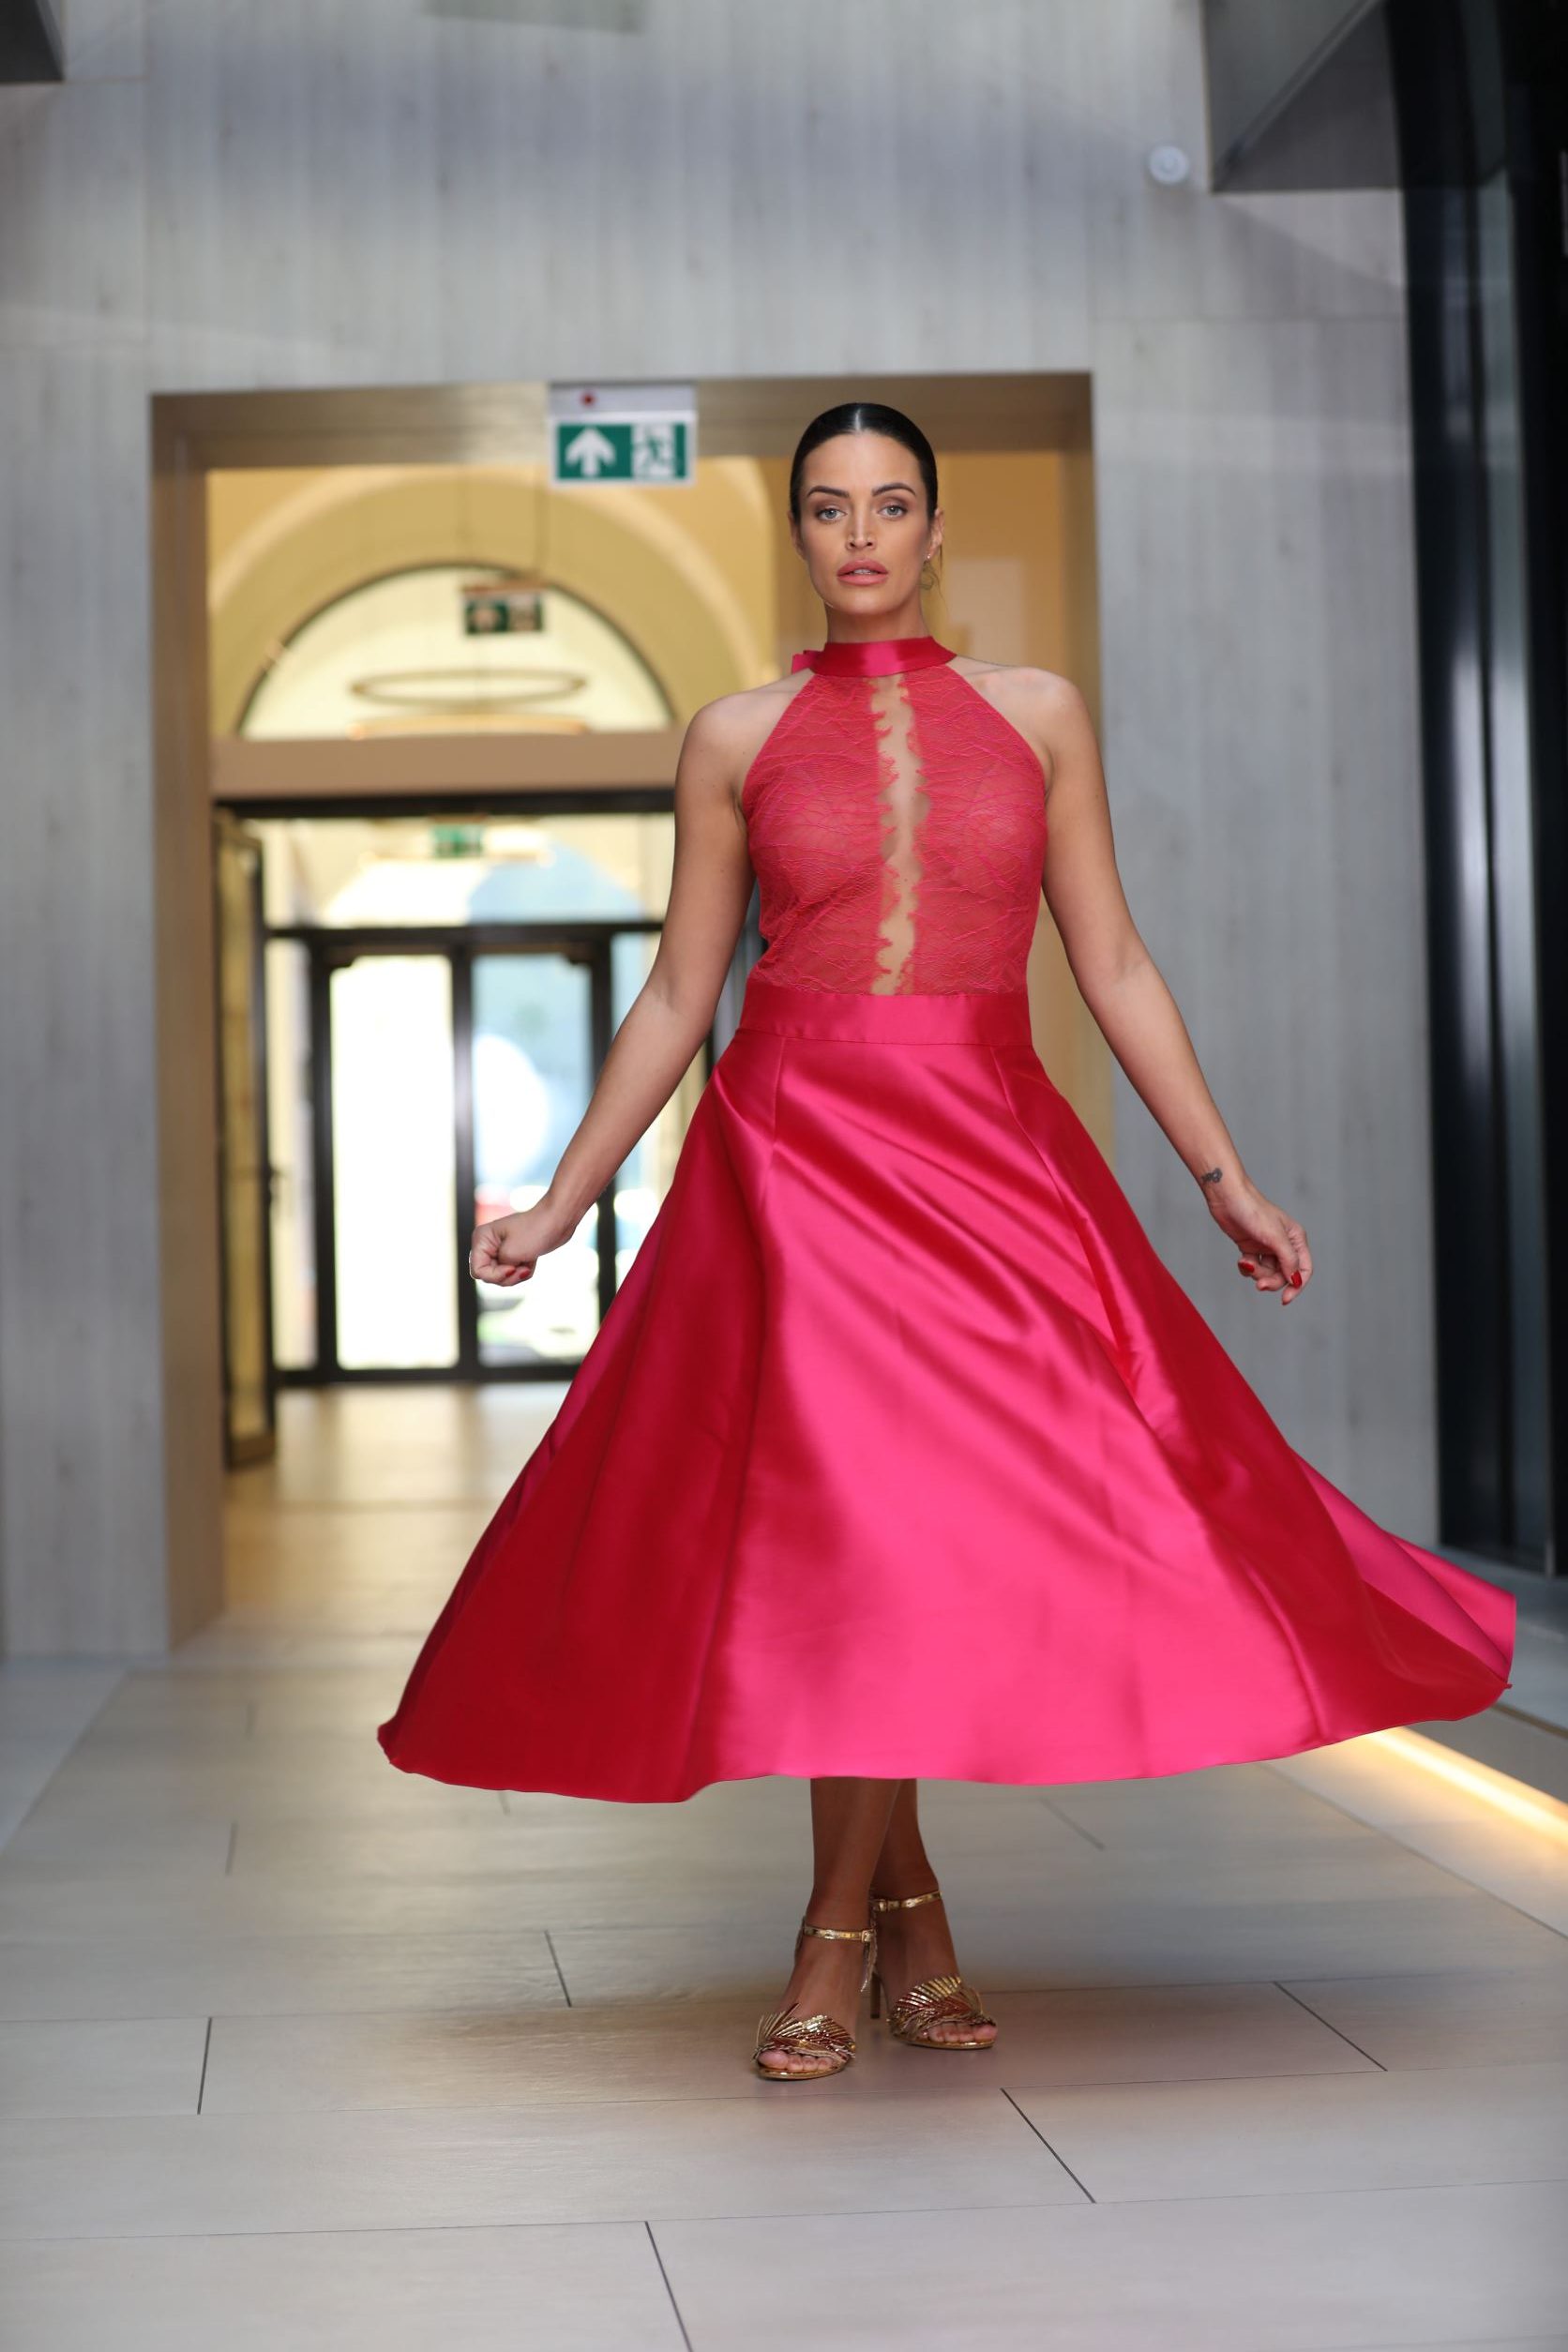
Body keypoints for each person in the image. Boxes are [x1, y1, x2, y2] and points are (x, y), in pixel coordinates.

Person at [378, 400, 1515, 2083]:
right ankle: (844, 1938)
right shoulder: (733, 735)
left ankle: (892, 1917)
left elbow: (1110, 960)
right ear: (798, 530)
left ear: (933, 526)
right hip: (794, 1163)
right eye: (829, 506)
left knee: (940, 1537)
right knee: (854, 1540)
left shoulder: (1038, 713)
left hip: (988, 1151)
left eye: (891, 504)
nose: (860, 535)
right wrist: (562, 1200)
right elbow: (682, 991)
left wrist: (1221, 1176)